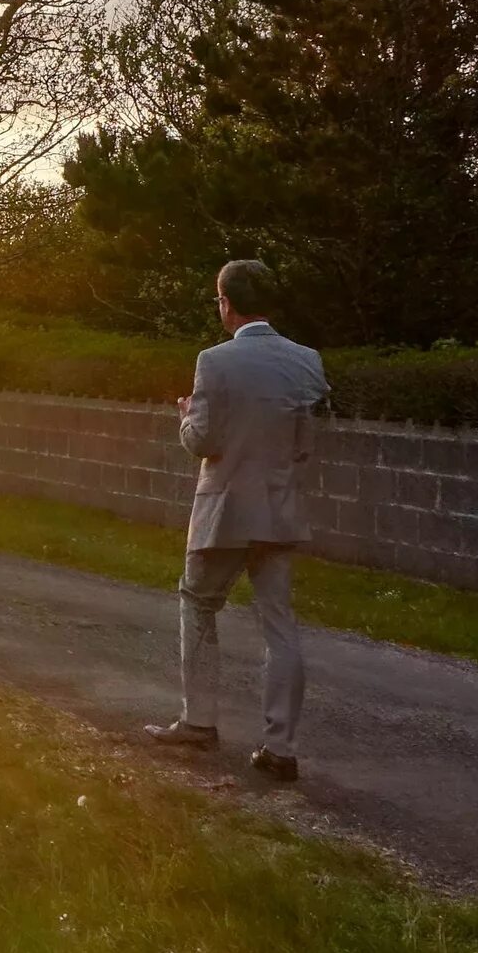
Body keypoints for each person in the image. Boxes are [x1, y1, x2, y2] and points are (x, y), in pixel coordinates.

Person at [145, 258, 330, 782]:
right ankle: (281, 747)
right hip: (280, 506)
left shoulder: (215, 362)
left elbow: (203, 441)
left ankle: (199, 722)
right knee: (280, 623)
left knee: (199, 604)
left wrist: (185, 415)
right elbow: (303, 444)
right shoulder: (308, 361)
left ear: (226, 303)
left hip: (224, 508)